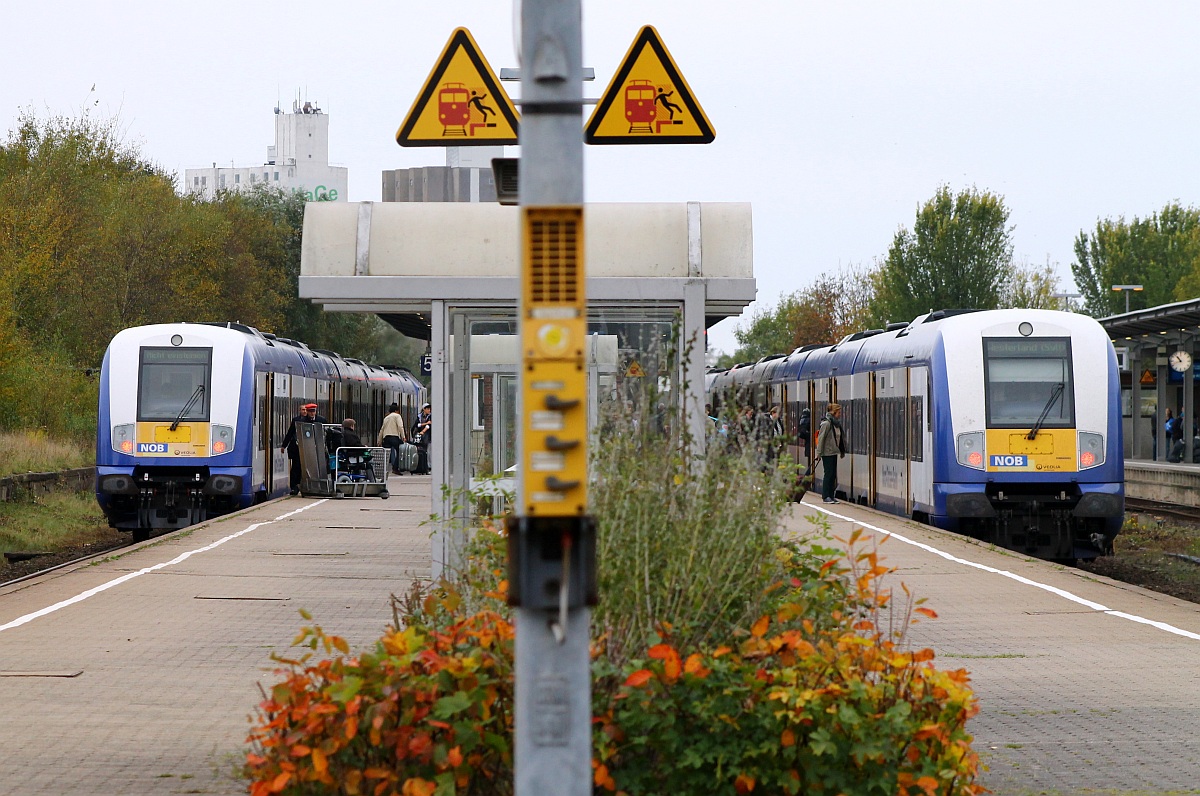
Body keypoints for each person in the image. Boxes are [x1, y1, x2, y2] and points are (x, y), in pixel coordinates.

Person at [280, 403, 326, 495]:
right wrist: (284, 445)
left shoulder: (321, 420)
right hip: (301, 449)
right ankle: (295, 487)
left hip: (316, 449)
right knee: (297, 468)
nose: (312, 413)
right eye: (310, 411)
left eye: (313, 411)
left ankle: (314, 487)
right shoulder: (300, 421)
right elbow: (290, 433)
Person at [815, 403, 845, 504]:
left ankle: (831, 495)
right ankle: (825, 496)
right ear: (834, 412)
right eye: (839, 412)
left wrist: (841, 450)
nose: (840, 414)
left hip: (833, 452)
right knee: (828, 474)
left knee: (833, 474)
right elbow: (821, 438)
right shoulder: (826, 424)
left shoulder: (835, 424)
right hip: (826, 453)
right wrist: (818, 453)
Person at [377, 403, 408, 475]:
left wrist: (379, 441)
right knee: (401, 451)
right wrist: (403, 436)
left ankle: (382, 469)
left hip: (386, 438)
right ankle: (395, 468)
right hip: (394, 437)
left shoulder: (386, 418)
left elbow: (382, 430)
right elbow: (400, 426)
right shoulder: (397, 416)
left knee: (386, 454)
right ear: (396, 410)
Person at [411, 403, 433, 475]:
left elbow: (429, 426)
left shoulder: (431, 416)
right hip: (420, 437)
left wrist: (423, 431)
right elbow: (417, 425)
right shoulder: (419, 416)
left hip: (428, 436)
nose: (429, 410)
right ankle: (422, 466)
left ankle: (428, 466)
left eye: (430, 409)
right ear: (424, 409)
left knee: (429, 451)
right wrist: (425, 423)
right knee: (422, 451)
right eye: (428, 409)